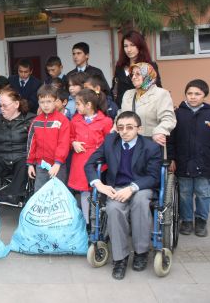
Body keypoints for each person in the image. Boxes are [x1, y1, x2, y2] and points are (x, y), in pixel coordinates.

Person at [85, 111, 162, 280]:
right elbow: (89, 164)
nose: (125, 131)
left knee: (140, 202)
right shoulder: (110, 141)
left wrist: (133, 187)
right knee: (113, 208)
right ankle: (120, 258)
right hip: (117, 187)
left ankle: (141, 252)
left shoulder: (151, 147)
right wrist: (99, 185)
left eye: (129, 127)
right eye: (120, 128)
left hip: (141, 186)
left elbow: (154, 177)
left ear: (139, 129)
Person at [168, 79, 210, 237]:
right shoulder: (178, 114)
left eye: (197, 94)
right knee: (185, 193)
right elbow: (171, 140)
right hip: (183, 162)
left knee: (203, 193)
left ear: (204, 95)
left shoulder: (209, 113)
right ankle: (186, 220)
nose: (193, 97)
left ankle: (201, 221)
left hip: (204, 162)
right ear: (185, 94)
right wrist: (171, 158)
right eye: (189, 93)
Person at [68, 89, 113, 224]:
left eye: (78, 104)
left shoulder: (105, 121)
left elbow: (110, 141)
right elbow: (69, 137)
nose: (76, 107)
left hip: (98, 162)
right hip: (80, 160)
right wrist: (73, 143)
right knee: (84, 192)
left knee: (98, 190)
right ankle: (88, 223)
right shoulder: (75, 120)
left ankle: (100, 221)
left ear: (88, 105)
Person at [120, 62, 176, 146]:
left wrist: (159, 131)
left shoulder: (161, 94)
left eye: (138, 74)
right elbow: (121, 115)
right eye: (132, 74)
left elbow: (168, 118)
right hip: (128, 142)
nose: (133, 77)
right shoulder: (128, 94)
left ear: (148, 76)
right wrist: (115, 127)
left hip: (150, 143)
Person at [27, 84, 71, 190]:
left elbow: (64, 143)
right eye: (42, 102)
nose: (45, 105)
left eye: (49, 101)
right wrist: (30, 164)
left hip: (58, 166)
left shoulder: (62, 120)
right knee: (40, 193)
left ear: (55, 101)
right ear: (38, 102)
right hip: (40, 165)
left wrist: (57, 163)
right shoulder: (36, 121)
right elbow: (31, 143)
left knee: (58, 195)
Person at [113, 30, 162, 108]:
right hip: (124, 109)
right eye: (125, 46)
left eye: (132, 45)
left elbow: (157, 87)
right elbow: (115, 89)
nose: (129, 49)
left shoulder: (149, 66)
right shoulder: (120, 66)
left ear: (140, 46)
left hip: (145, 108)